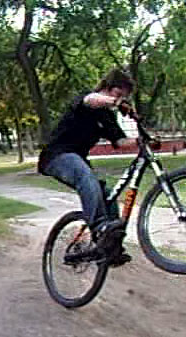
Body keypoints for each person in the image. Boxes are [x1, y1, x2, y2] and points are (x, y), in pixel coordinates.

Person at [38, 68, 138, 266]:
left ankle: (110, 249)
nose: (119, 100)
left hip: (77, 159)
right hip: (57, 156)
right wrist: (116, 102)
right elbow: (92, 100)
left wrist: (142, 141)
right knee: (86, 177)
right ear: (107, 87)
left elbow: (120, 141)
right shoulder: (87, 99)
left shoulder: (107, 117)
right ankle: (100, 227)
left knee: (107, 195)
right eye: (118, 94)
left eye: (124, 97)